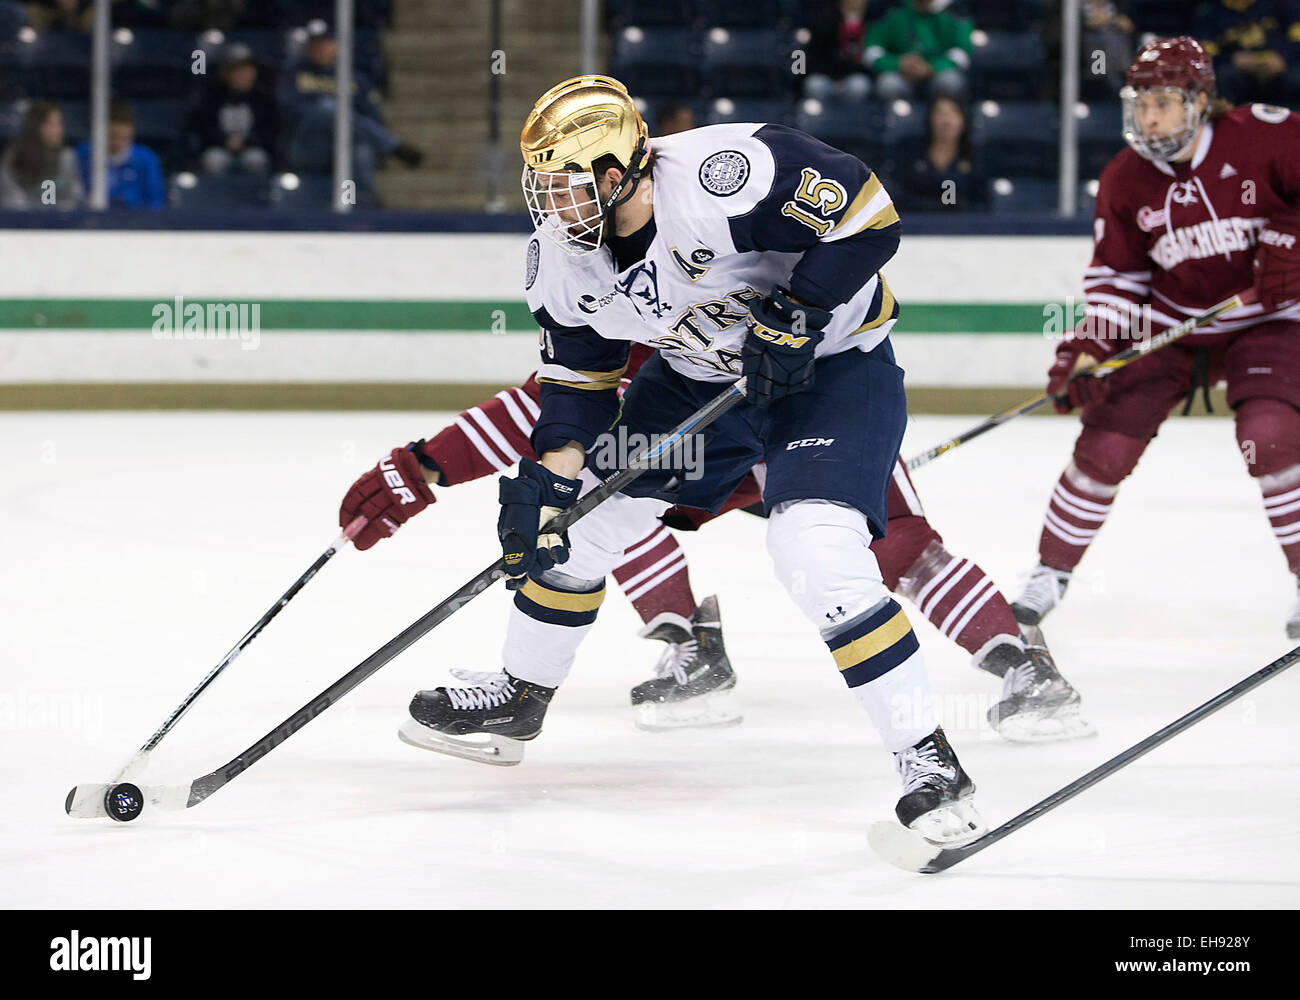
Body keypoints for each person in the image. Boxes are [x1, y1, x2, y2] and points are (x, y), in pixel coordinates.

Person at [394, 73, 991, 845]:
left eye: (565, 189)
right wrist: (550, 481)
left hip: (832, 369)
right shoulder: (561, 257)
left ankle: (928, 758)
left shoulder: (730, 174)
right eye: (540, 189)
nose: (550, 209)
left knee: (814, 551)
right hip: (700, 380)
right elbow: (580, 383)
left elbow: (870, 216)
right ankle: (521, 693)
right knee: (577, 530)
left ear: (620, 173)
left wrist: (801, 310)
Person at [339, 343, 1091, 742]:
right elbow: (557, 403)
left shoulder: (706, 241)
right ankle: (689, 646)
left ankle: (1019, 663)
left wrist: (431, 463)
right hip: (701, 434)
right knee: (608, 500)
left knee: (898, 547)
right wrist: (427, 462)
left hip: (805, 416)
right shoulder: (612, 275)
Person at [1009, 37, 1300, 640]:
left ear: (1201, 99)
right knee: (1105, 447)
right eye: (1141, 104)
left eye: (1164, 102)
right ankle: (1048, 575)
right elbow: (1118, 279)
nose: (1150, 118)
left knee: (1270, 437)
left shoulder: (1266, 136)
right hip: (1170, 326)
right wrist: (1088, 351)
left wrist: (1292, 238)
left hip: (1268, 317)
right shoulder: (1125, 178)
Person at [279, 21, 422, 198]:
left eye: (325, 43)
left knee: (361, 152)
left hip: (348, 145)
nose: (320, 48)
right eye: (315, 44)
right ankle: (392, 146)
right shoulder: (293, 74)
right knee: (327, 108)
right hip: (309, 145)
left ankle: (357, 201)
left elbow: (372, 114)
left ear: (336, 45)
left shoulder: (354, 77)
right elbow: (290, 109)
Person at [188, 43, 279, 175]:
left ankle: (256, 195)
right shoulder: (211, 97)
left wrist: (247, 142)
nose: (245, 75)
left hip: (253, 148)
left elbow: (270, 129)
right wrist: (224, 140)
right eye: (238, 70)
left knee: (256, 160)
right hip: (218, 148)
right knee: (213, 160)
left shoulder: (263, 98)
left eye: (248, 70)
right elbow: (202, 127)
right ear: (225, 73)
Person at [1196, 0, 1300, 110]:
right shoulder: (1211, 11)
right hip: (1238, 69)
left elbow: (1297, 36)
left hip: (1280, 64)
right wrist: (1232, 59)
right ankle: (1229, 122)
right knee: (1224, 76)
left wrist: (1283, 57)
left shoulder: (1281, 4)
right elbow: (1204, 51)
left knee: (1295, 76)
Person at [864, 0, 971, 104]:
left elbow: (962, 53)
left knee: (950, 81)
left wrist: (931, 68)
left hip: (936, 73)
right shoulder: (892, 7)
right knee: (888, 84)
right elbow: (871, 51)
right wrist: (898, 63)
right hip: (900, 73)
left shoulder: (953, 9)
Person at [901, 95, 985, 212]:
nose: (946, 120)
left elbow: (983, 203)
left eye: (953, 113)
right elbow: (900, 197)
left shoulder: (976, 159)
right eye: (939, 113)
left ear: (964, 120)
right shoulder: (911, 155)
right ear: (930, 119)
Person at [74, 102, 165, 209]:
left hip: (136, 221)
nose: (117, 143)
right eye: (112, 137)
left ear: (131, 133)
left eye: (123, 139)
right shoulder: (84, 154)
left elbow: (155, 201)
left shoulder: (146, 159)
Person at [0, 100, 84, 209]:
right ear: (36, 126)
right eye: (51, 124)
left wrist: (57, 214)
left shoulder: (67, 157)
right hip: (23, 223)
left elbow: (75, 196)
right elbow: (9, 197)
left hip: (61, 222)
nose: (58, 130)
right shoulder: (14, 157)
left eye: (59, 123)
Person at [803, 0, 873, 103]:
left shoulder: (872, 23)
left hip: (853, 77)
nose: (854, 4)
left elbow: (870, 60)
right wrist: (835, 80)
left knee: (859, 85)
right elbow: (814, 58)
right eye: (849, 2)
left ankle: (855, 117)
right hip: (826, 76)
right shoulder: (825, 22)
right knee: (815, 84)